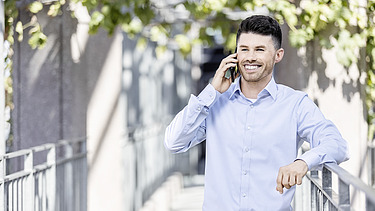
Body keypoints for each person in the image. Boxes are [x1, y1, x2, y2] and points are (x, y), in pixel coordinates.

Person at [164, 15, 349, 210]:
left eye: (260, 50)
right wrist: (211, 91)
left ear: (278, 55)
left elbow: (337, 145)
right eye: (244, 49)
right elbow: (173, 142)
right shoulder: (214, 102)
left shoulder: (295, 104)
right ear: (236, 54)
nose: (250, 57)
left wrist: (303, 162)